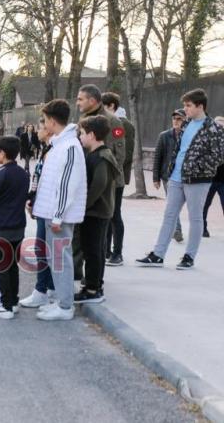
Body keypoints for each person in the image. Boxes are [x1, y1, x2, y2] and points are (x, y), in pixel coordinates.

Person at [138, 89, 224, 270]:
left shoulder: (213, 128)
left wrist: (196, 167)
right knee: (169, 215)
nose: (185, 109)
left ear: (200, 106)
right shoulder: (186, 125)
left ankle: (189, 257)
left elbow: (218, 156)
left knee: (195, 218)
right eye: (185, 105)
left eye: (188, 105)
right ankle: (158, 255)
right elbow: (180, 150)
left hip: (198, 180)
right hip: (176, 178)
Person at [32, 99, 87, 321]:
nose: (44, 124)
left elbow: (67, 185)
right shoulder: (60, 145)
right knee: (55, 258)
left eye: (45, 120)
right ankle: (59, 301)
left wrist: (58, 215)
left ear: (53, 121)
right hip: (50, 212)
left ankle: (65, 307)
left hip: (58, 216)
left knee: (60, 259)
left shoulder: (70, 147)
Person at [74, 85, 126, 278]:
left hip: (107, 182)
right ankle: (78, 271)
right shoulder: (83, 120)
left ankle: (97, 273)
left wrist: (103, 174)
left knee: (102, 229)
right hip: (86, 180)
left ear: (93, 101)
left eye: (80, 99)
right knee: (82, 231)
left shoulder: (113, 122)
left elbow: (119, 155)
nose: (77, 102)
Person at [0, 136, 30, 319]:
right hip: (18, 228)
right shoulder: (23, 174)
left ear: (2, 153)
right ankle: (14, 301)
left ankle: (5, 306)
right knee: (12, 266)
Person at [76, 115, 121, 303]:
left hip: (96, 212)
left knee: (93, 251)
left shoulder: (102, 156)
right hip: (96, 211)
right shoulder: (95, 154)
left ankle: (93, 289)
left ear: (92, 135)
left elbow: (99, 184)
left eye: (83, 133)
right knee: (95, 250)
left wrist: (83, 205)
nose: (80, 137)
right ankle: (94, 284)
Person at [20, 117, 56, 308]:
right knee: (43, 249)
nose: (37, 131)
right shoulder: (46, 149)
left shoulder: (54, 150)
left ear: (49, 129)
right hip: (41, 205)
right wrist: (32, 198)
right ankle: (48, 287)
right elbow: (38, 178)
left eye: (40, 128)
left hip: (48, 208)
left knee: (42, 249)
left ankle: (42, 290)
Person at [101, 92, 135, 266]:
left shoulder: (122, 124)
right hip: (103, 177)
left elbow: (124, 154)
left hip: (115, 177)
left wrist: (111, 171)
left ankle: (117, 252)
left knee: (114, 215)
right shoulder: (102, 122)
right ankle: (105, 250)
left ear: (111, 106)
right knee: (105, 214)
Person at [152, 109, 186, 243]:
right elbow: (157, 157)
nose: (176, 121)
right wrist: (156, 178)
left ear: (185, 121)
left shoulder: (189, 136)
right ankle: (177, 230)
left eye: (179, 119)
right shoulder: (164, 136)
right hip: (169, 177)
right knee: (173, 203)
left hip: (186, 176)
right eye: (174, 119)